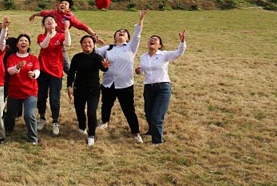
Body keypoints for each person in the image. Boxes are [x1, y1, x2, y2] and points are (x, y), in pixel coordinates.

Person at [95, 10, 147, 144]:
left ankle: (135, 132)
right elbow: (94, 52)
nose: (121, 32)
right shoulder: (108, 48)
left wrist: (140, 21)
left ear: (127, 38)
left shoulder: (130, 47)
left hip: (125, 84)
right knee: (106, 104)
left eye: (124, 32)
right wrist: (94, 41)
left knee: (129, 109)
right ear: (115, 36)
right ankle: (105, 121)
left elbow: (137, 35)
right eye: (119, 31)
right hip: (108, 83)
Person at [136, 29, 187, 145]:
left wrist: (182, 41)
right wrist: (139, 71)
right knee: (148, 113)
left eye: (155, 39)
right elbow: (143, 70)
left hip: (163, 88)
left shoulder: (164, 55)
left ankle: (157, 141)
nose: (152, 40)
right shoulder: (143, 56)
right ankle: (151, 131)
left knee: (157, 115)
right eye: (151, 39)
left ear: (160, 45)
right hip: (148, 88)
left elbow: (179, 52)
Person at [29, 0, 100, 72]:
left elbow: (83, 26)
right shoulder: (53, 13)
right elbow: (43, 13)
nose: (63, 4)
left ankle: (74, 80)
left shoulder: (70, 18)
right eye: (61, 3)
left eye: (65, 4)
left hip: (59, 44)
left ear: (68, 9)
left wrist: (94, 35)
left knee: (67, 67)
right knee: (42, 63)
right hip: (47, 42)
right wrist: (34, 15)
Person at [0, 18, 40, 145]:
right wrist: (17, 67)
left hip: (30, 92)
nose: (23, 42)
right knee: (10, 115)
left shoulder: (33, 58)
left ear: (29, 45)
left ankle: (33, 137)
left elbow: (38, 70)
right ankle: (8, 130)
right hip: (15, 92)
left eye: (26, 41)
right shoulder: (12, 57)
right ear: (17, 44)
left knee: (29, 115)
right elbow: (10, 71)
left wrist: (34, 74)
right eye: (21, 40)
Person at [67, 35, 110, 146]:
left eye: (90, 42)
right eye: (85, 42)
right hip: (79, 88)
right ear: (81, 45)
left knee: (91, 112)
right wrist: (69, 86)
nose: (87, 44)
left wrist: (105, 67)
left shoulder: (97, 57)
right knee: (79, 110)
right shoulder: (77, 57)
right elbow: (71, 73)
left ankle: (91, 135)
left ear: (93, 44)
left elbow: (103, 68)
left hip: (93, 89)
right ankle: (82, 127)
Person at [36, 16, 71, 136]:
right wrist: (49, 34)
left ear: (56, 24)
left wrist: (66, 30)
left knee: (54, 99)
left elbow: (68, 43)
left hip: (56, 72)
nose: (49, 22)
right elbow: (44, 46)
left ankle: (55, 121)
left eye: (51, 21)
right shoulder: (41, 36)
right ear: (44, 25)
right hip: (42, 71)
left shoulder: (60, 36)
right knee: (41, 96)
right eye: (46, 22)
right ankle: (42, 118)